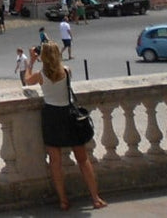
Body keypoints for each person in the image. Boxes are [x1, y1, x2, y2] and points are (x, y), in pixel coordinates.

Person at [23, 42, 105, 211]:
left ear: (43, 56)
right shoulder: (67, 71)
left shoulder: (40, 75)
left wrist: (32, 60)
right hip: (69, 115)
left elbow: (27, 80)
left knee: (55, 162)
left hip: (52, 116)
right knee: (83, 159)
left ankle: (63, 200)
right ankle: (95, 198)